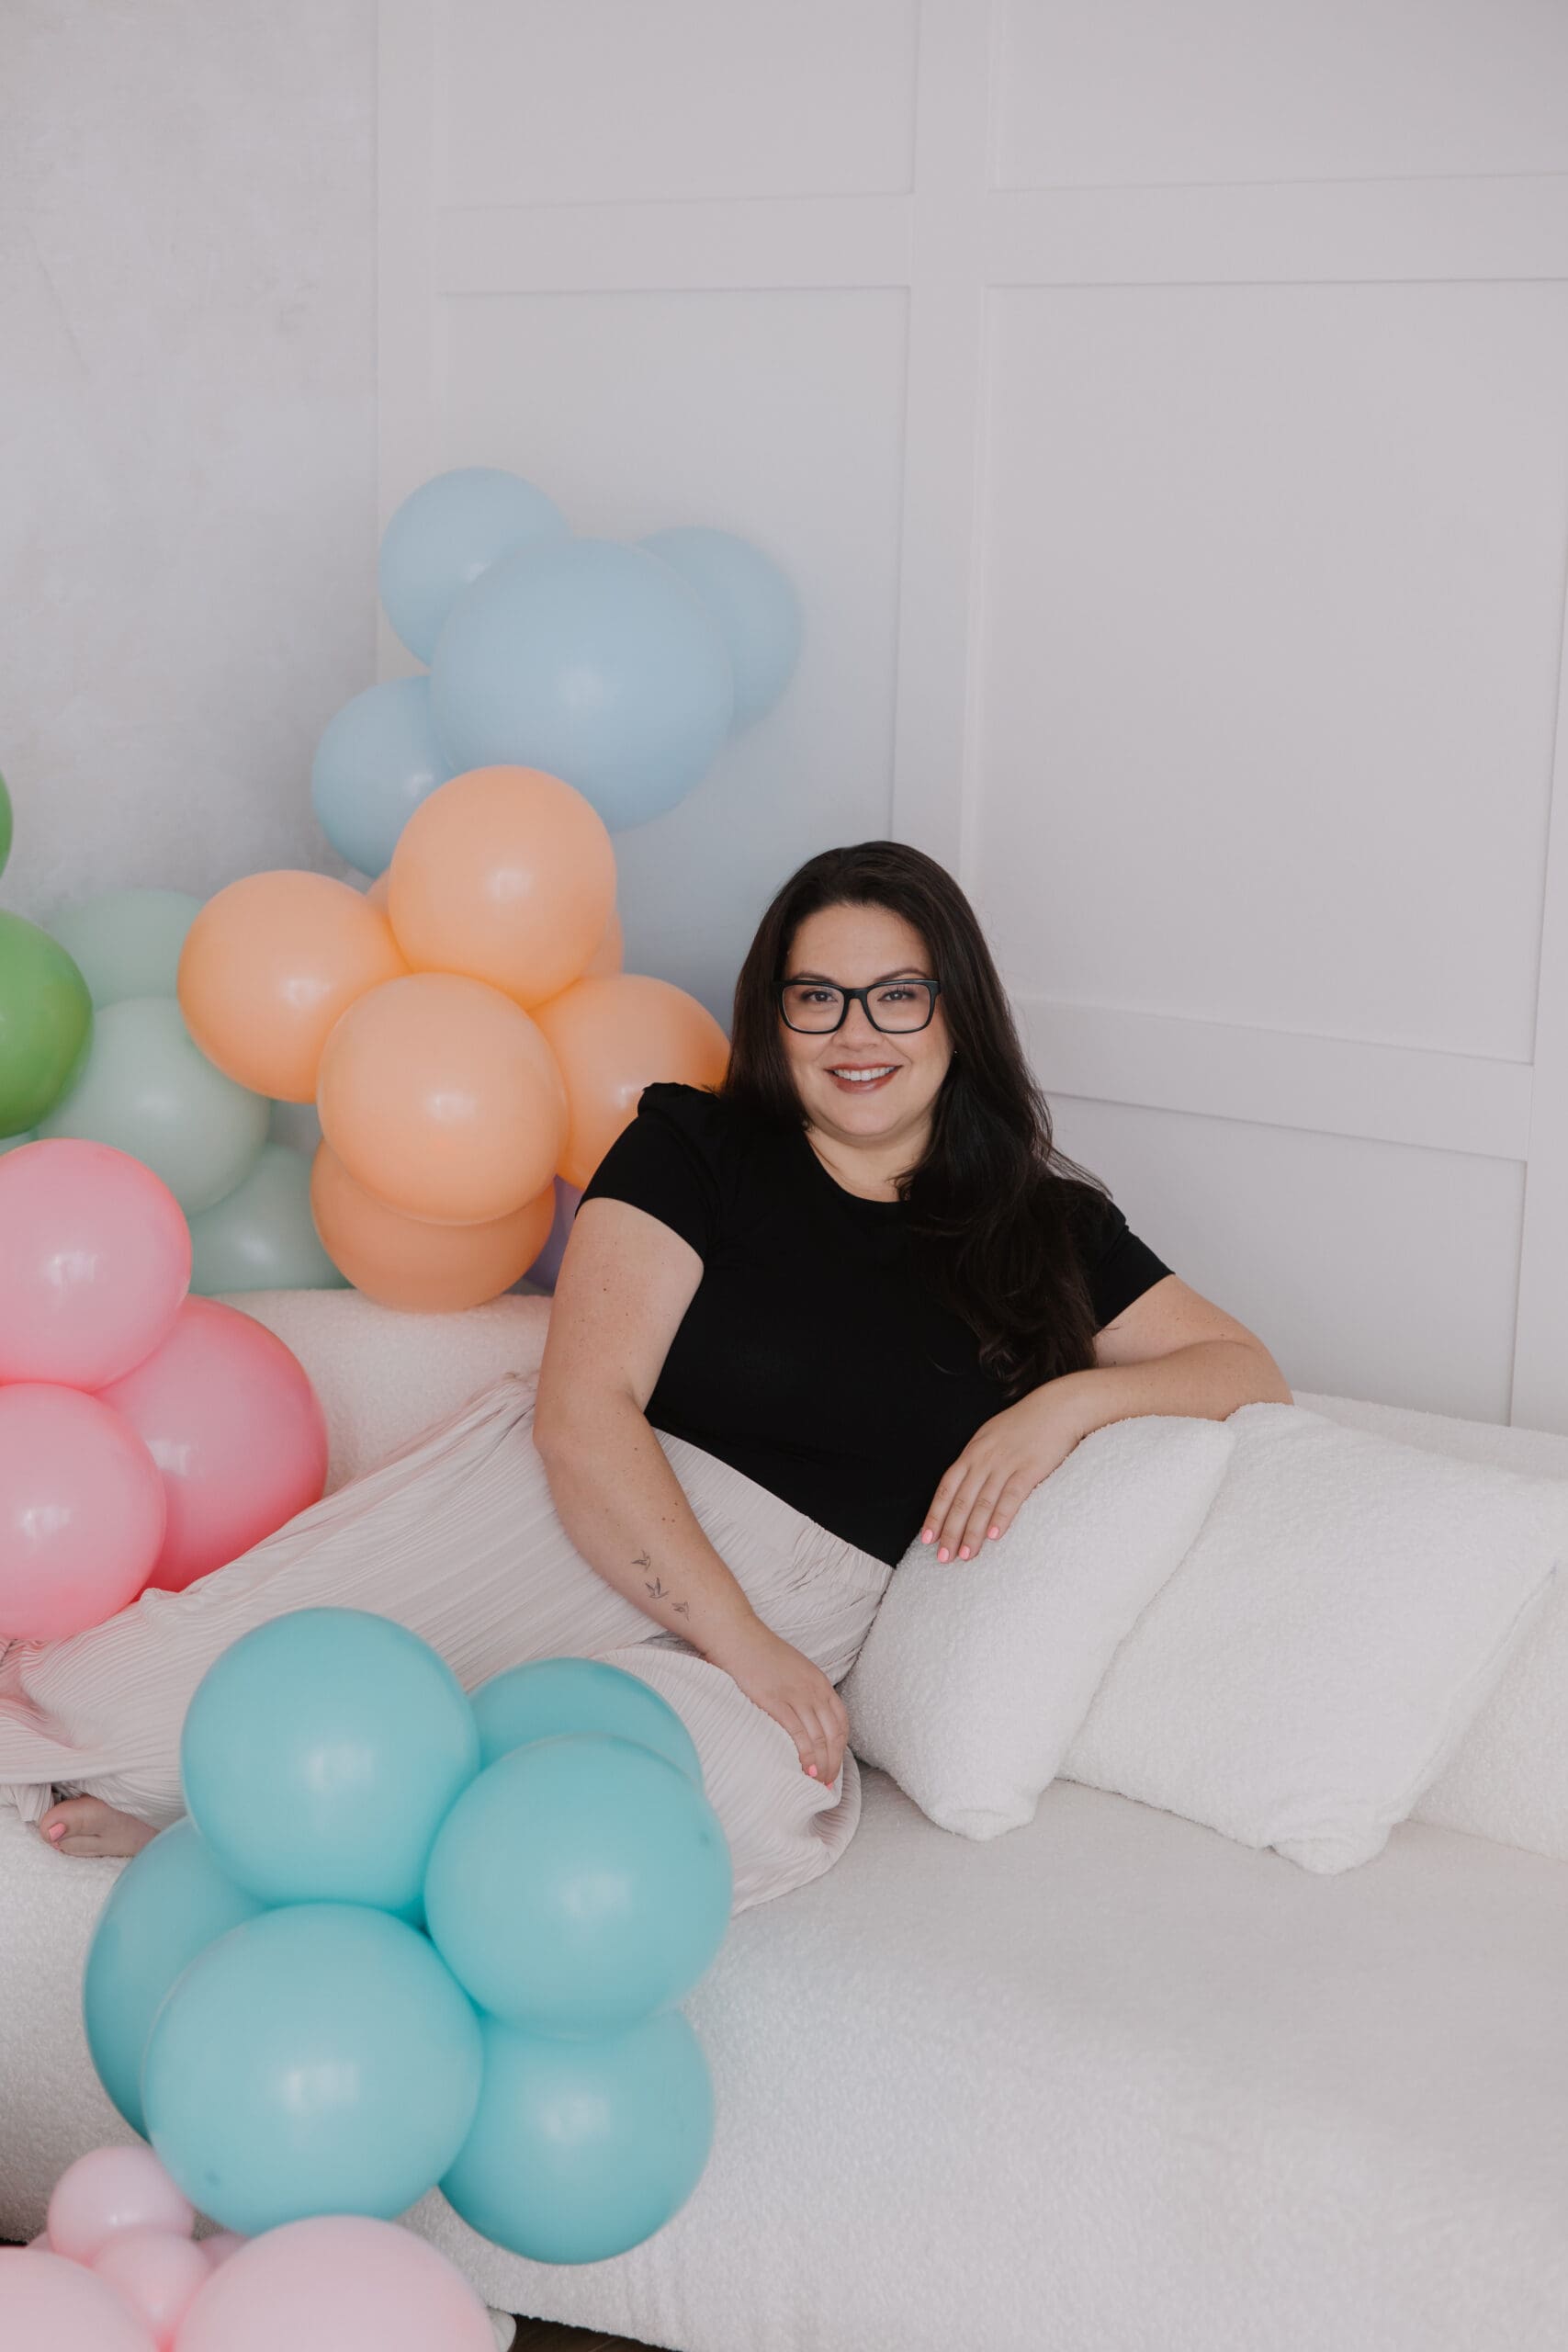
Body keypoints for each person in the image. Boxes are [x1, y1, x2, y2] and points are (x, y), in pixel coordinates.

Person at [4, 839, 1290, 1899]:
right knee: (124, 1708)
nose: (860, 1032)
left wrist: (1067, 1404)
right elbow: (584, 1414)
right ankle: (227, 1818)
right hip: (576, 1514)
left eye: (900, 994)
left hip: (797, 1614)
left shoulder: (1045, 1229)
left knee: (694, 1812)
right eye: (817, 996)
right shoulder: (696, 1146)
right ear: (774, 1015)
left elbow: (1244, 1368)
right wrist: (741, 1639)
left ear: (957, 1011)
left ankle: (285, 1853)